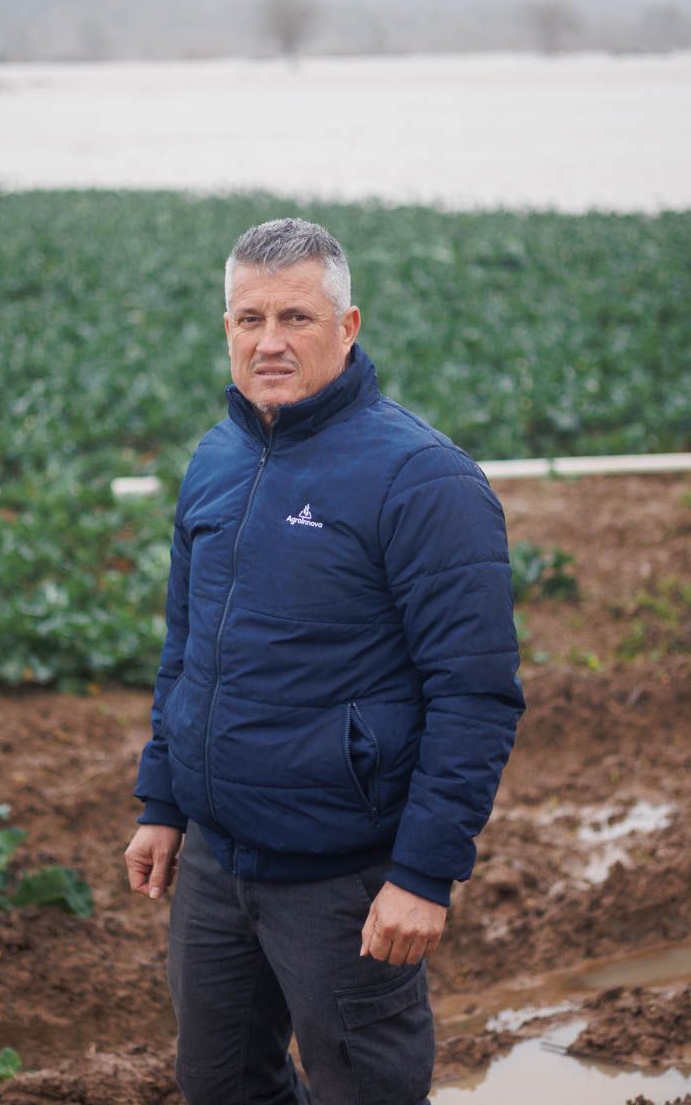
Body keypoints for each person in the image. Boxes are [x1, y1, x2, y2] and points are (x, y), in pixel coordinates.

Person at [124, 217, 524, 1105]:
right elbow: (188, 649)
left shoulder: (424, 480)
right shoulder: (217, 458)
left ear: (347, 327)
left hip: (345, 878)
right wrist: (162, 799)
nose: (269, 342)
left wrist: (424, 876)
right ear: (225, 326)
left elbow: (476, 695)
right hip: (220, 867)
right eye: (249, 318)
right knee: (220, 1085)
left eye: (297, 319)